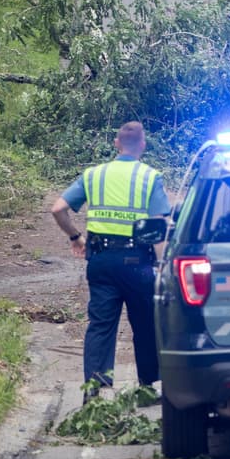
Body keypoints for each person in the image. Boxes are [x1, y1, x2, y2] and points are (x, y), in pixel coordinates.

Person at [51, 121, 171, 403]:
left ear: (116, 144)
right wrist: (163, 266)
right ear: (143, 145)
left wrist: (75, 237)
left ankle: (94, 392)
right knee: (145, 325)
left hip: (101, 261)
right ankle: (146, 388)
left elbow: (58, 209)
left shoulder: (94, 175)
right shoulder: (150, 177)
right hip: (137, 263)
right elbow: (158, 227)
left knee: (100, 325)